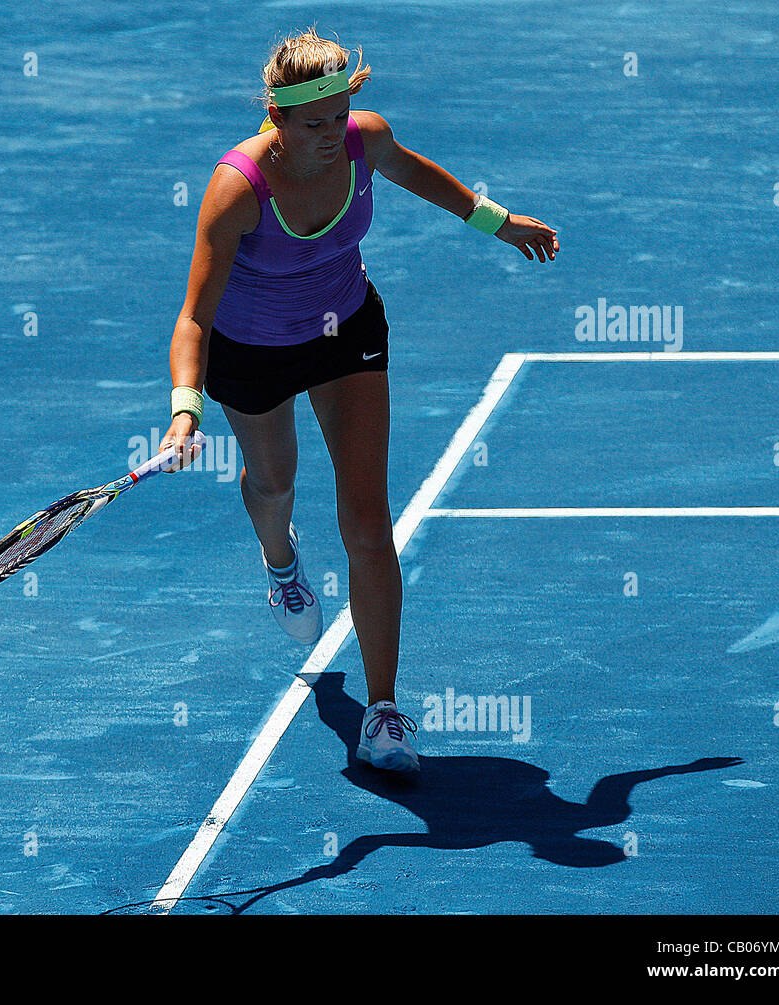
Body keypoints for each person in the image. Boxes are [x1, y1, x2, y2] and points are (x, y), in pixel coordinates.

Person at [161, 28, 559, 772]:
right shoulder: (236, 189)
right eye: (315, 123)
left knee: (369, 524)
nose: (332, 135)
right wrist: (186, 406)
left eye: (341, 116)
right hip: (250, 352)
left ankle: (383, 712)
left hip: (346, 330)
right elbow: (193, 317)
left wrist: (500, 223)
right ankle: (281, 562)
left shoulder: (362, 142)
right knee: (273, 482)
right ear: (275, 118)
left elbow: (422, 176)